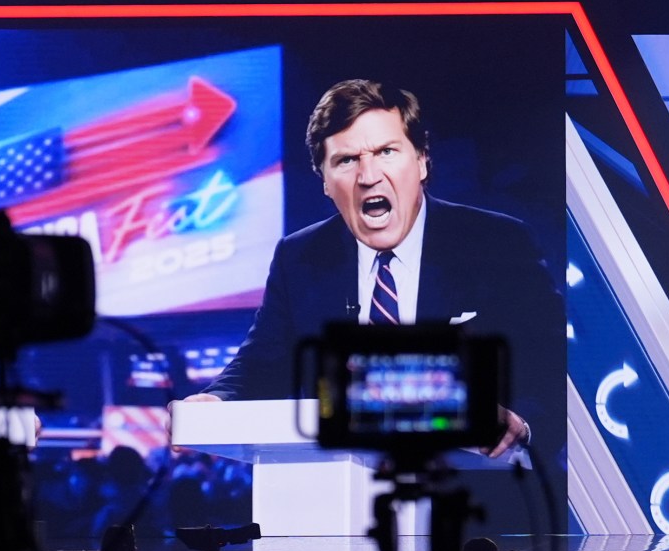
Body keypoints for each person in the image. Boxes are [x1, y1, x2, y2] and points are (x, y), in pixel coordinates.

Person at [193, 80, 561, 458]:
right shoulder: (299, 257)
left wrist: (521, 421)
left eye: (386, 151)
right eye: (346, 160)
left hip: (474, 498)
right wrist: (215, 401)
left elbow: (554, 364)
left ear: (421, 161)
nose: (368, 176)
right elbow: (260, 365)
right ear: (324, 181)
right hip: (339, 499)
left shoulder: (496, 242)